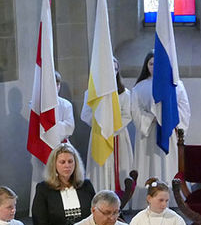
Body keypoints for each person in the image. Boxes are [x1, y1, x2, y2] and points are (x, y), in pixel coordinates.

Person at [131, 51, 190, 202]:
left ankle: (174, 198)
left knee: (170, 165)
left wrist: (169, 118)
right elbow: (135, 112)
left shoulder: (176, 85)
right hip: (149, 133)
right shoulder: (139, 87)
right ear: (146, 65)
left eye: (158, 64)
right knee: (149, 165)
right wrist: (152, 117)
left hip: (169, 132)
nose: (154, 67)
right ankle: (148, 198)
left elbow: (184, 108)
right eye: (151, 64)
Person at [81, 58, 135, 197]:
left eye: (116, 69)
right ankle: (99, 195)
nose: (113, 71)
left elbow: (127, 115)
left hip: (118, 136)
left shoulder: (124, 93)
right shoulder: (91, 92)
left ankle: (121, 199)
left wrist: (112, 128)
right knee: (100, 167)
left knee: (120, 167)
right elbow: (85, 114)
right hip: (99, 135)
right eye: (110, 68)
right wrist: (101, 125)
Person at [52, 70, 77, 144]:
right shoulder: (37, 105)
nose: (56, 87)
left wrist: (49, 125)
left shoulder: (66, 104)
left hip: (61, 145)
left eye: (58, 84)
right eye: (53, 84)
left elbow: (69, 128)